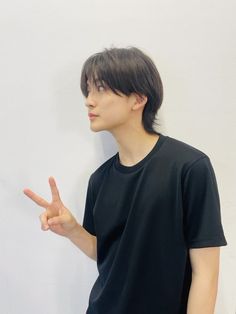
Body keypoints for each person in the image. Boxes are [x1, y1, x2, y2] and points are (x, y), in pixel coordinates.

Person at [23, 46, 227, 314]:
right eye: (88, 90)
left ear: (138, 98)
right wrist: (72, 229)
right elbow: (106, 253)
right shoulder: (99, 179)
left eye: (101, 89)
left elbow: (206, 272)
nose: (89, 100)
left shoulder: (189, 167)